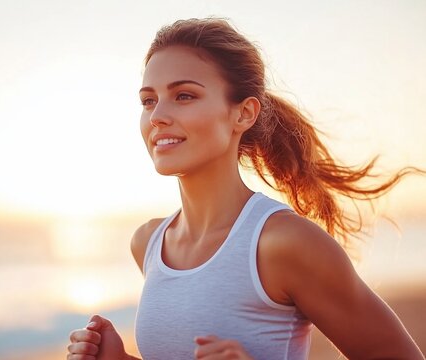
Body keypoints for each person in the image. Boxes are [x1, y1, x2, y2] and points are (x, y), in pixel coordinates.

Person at [67, 18, 424, 360]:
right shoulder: (148, 243)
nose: (158, 115)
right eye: (148, 100)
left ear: (243, 114)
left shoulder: (283, 242)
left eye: (184, 96)